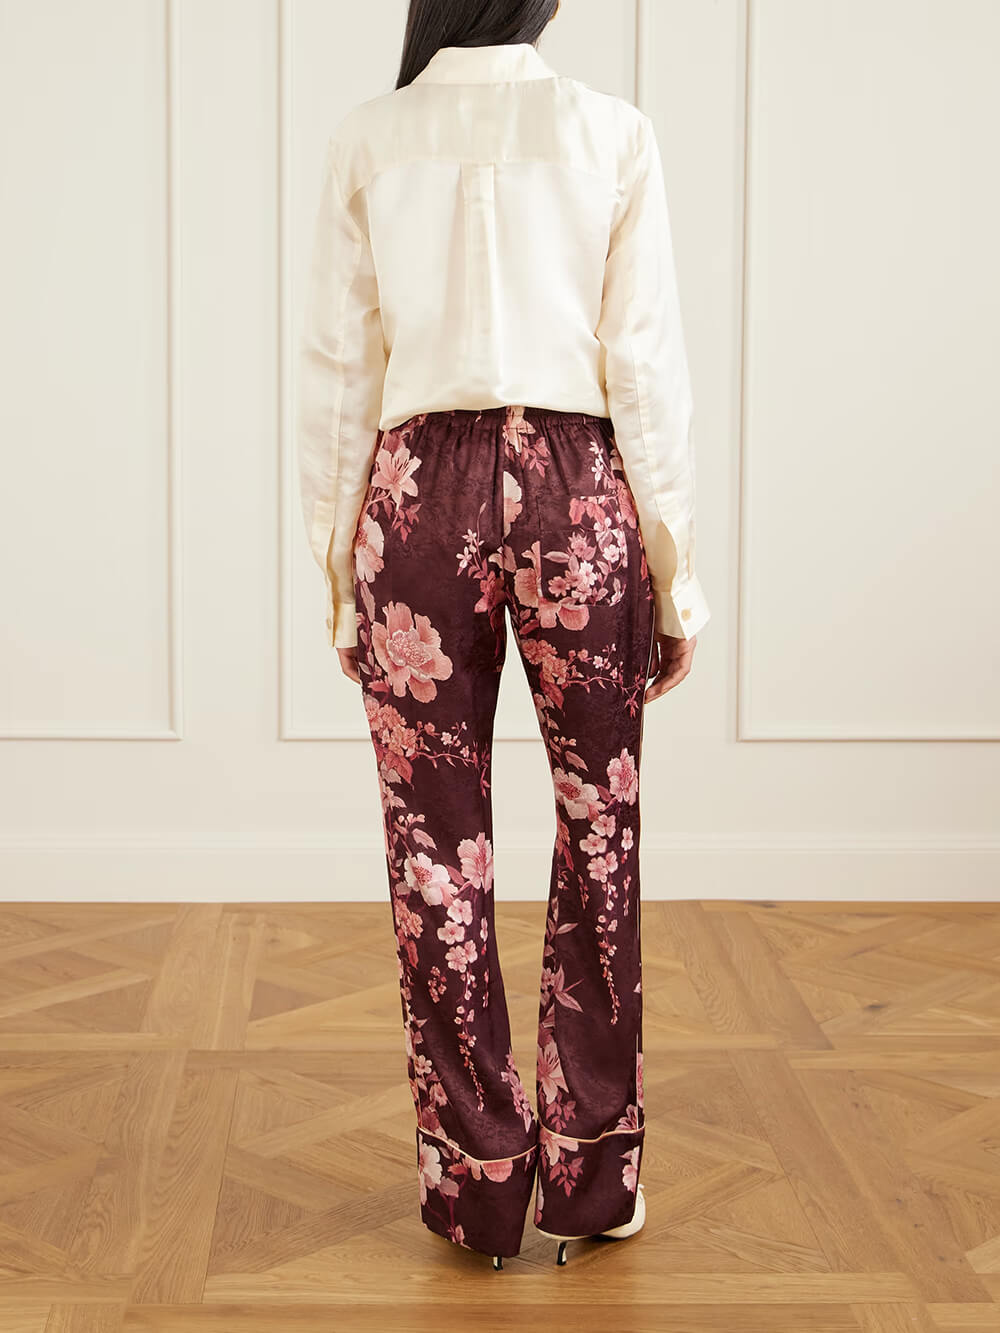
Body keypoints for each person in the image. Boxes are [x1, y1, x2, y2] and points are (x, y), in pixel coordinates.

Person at [296, 0, 711, 1270]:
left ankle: (476, 1191)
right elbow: (644, 368)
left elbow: (337, 377)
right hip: (578, 492)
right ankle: (591, 1176)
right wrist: (674, 572)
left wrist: (337, 569)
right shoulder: (610, 131)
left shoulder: (371, 137)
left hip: (415, 496)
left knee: (435, 851)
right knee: (599, 828)